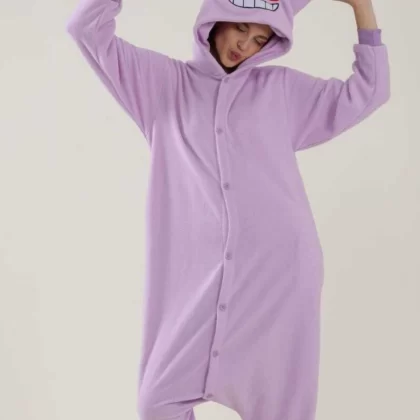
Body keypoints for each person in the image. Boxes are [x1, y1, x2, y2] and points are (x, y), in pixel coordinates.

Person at [66, 0, 390, 419]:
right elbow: (85, 28)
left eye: (260, 39)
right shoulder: (162, 84)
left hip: (278, 277)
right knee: (156, 403)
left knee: (281, 410)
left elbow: (370, 91)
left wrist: (361, 6)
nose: (245, 45)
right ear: (215, 18)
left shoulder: (281, 91)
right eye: (240, 28)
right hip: (196, 284)